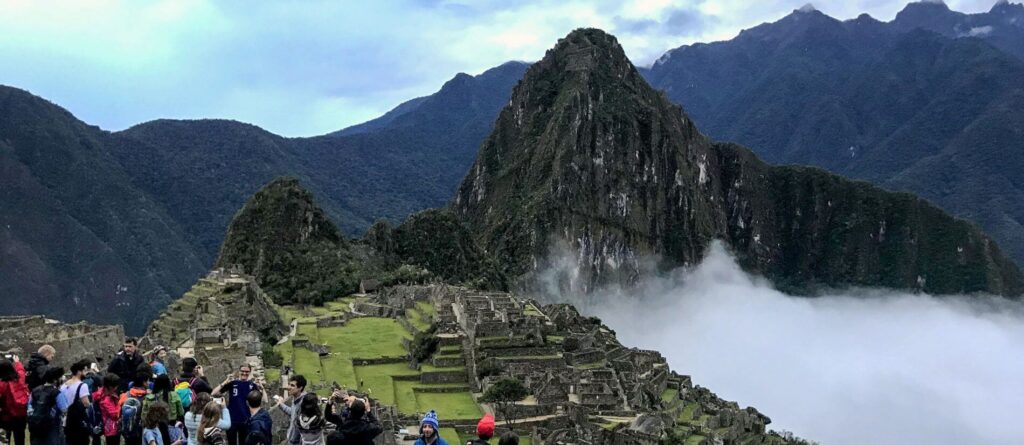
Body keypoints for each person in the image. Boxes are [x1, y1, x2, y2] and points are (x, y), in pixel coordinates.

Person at [212, 365, 262, 445]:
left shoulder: (252, 385)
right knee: (231, 442)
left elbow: (263, 399)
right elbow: (214, 393)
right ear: (239, 371)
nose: (244, 373)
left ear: (250, 372)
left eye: (247, 371)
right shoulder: (232, 383)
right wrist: (225, 381)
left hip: (246, 419)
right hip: (232, 419)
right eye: (242, 371)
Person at [27, 367, 67, 445]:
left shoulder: (35, 390)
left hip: (36, 426)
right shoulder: (57, 393)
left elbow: (29, 405)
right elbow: (64, 409)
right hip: (52, 426)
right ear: (55, 380)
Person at [61, 359, 95, 445]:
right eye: (85, 370)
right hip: (78, 420)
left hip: (65, 419)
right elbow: (86, 403)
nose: (86, 373)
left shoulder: (64, 385)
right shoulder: (82, 385)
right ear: (79, 371)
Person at [0, 355, 29, 445]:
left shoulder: (2, 385)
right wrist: (17, 362)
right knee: (20, 438)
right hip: (21, 414)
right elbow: (21, 371)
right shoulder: (20, 378)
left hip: (7, 415)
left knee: (5, 438)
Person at [273, 375, 306, 445]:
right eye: (289, 384)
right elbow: (292, 413)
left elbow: (303, 428)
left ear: (300, 388)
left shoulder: (303, 404)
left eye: (292, 385)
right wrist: (281, 404)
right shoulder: (296, 399)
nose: (288, 387)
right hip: (291, 440)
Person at [119, 371, 151, 444]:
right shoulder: (147, 397)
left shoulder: (125, 395)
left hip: (127, 431)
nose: (149, 383)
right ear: (144, 382)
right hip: (141, 431)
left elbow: (119, 413)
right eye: (148, 381)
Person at [92, 374, 122, 445]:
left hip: (108, 427)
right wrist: (120, 403)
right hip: (112, 429)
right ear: (111, 387)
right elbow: (115, 414)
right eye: (116, 386)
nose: (117, 388)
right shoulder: (105, 400)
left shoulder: (101, 393)